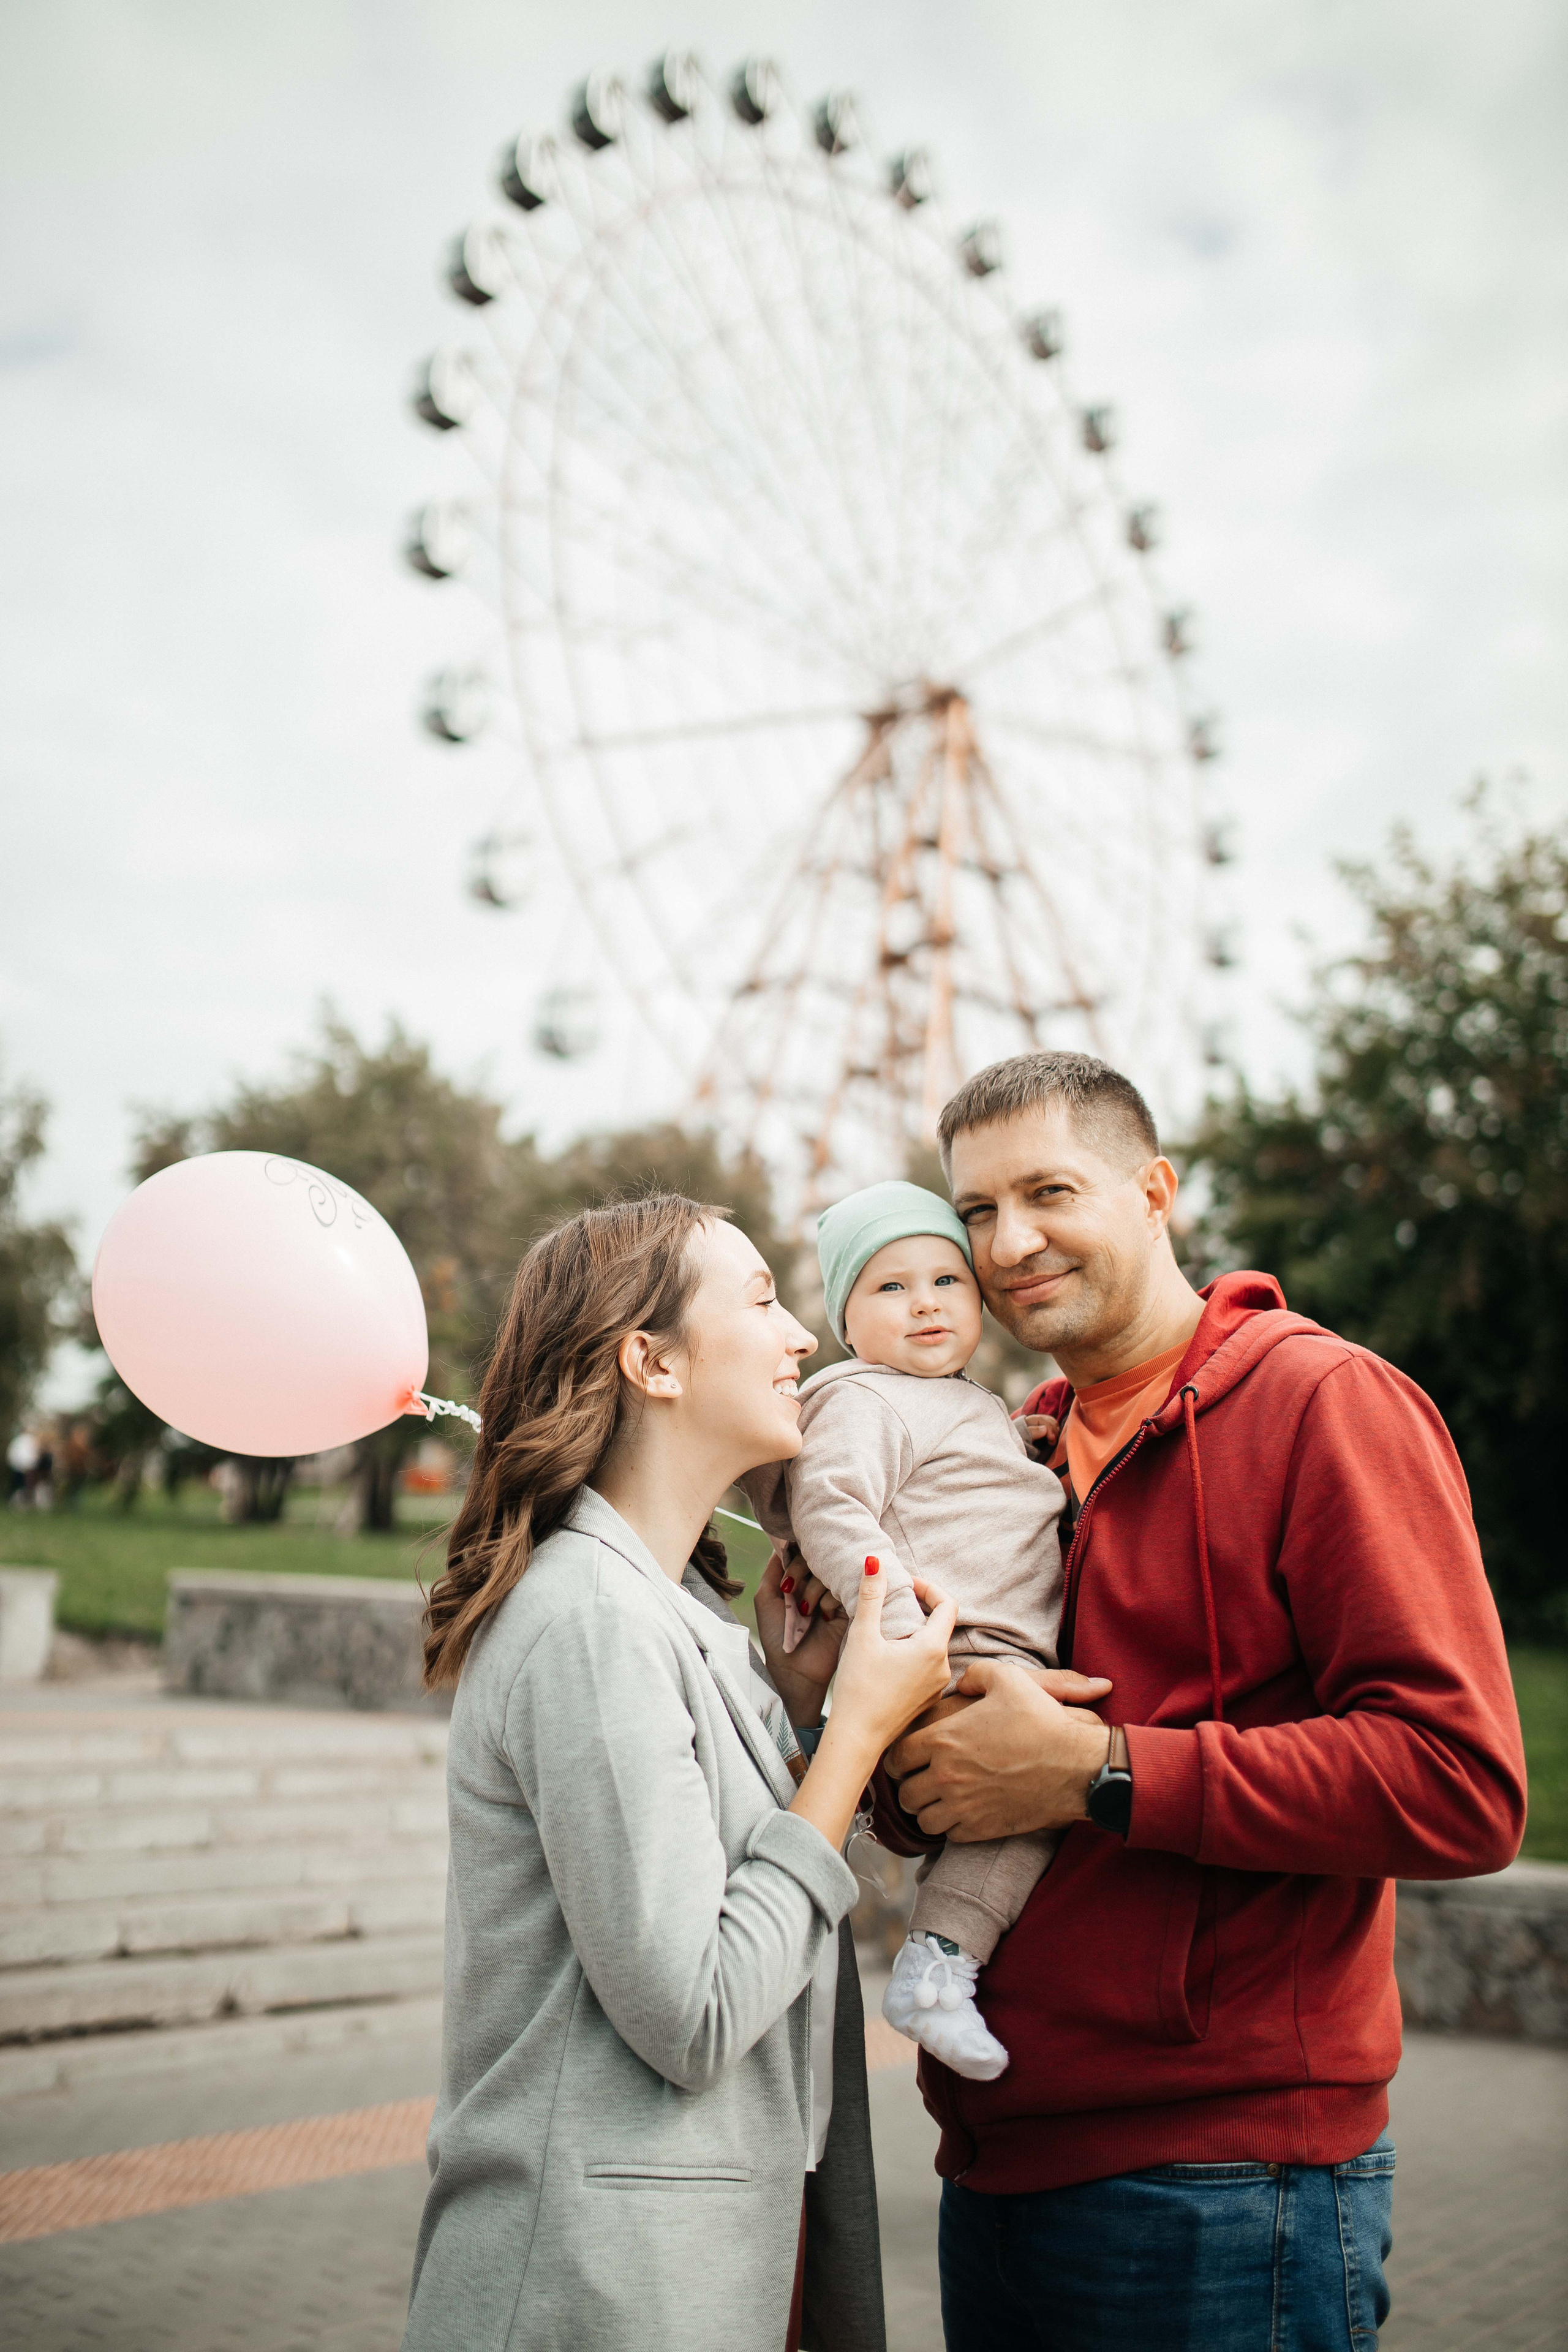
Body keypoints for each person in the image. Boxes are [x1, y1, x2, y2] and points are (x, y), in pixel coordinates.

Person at [826, 1050, 1524, 2351]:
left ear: (1154, 1190)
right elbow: (966, 1777)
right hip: (995, 2163)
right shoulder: (1003, 1441)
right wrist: (915, 1767)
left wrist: (1098, 1769)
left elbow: (1457, 1785)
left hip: (1223, 2183)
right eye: (974, 1212)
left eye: (1047, 1192)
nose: (1008, 1242)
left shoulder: (1321, 1404)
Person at [402, 1193, 959, 2352]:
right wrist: (853, 1741)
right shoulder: (588, 1618)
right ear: (650, 1361)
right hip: (596, 2287)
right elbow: (696, 2012)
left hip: (704, 2269)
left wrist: (801, 1716)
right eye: (761, 1300)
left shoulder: (675, 1608)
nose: (806, 1336)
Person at [742, 1180, 1080, 2083]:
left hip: (985, 1638)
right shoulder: (862, 1398)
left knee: (1018, 1808)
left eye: (946, 1281)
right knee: (1028, 1812)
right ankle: (938, 1964)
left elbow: (952, 1480)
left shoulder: (955, 1401)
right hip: (946, 1643)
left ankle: (942, 1957)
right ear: (847, 1322)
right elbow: (832, 1507)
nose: (925, 1301)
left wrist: (1025, 1442)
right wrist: (895, 1618)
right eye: (890, 1288)